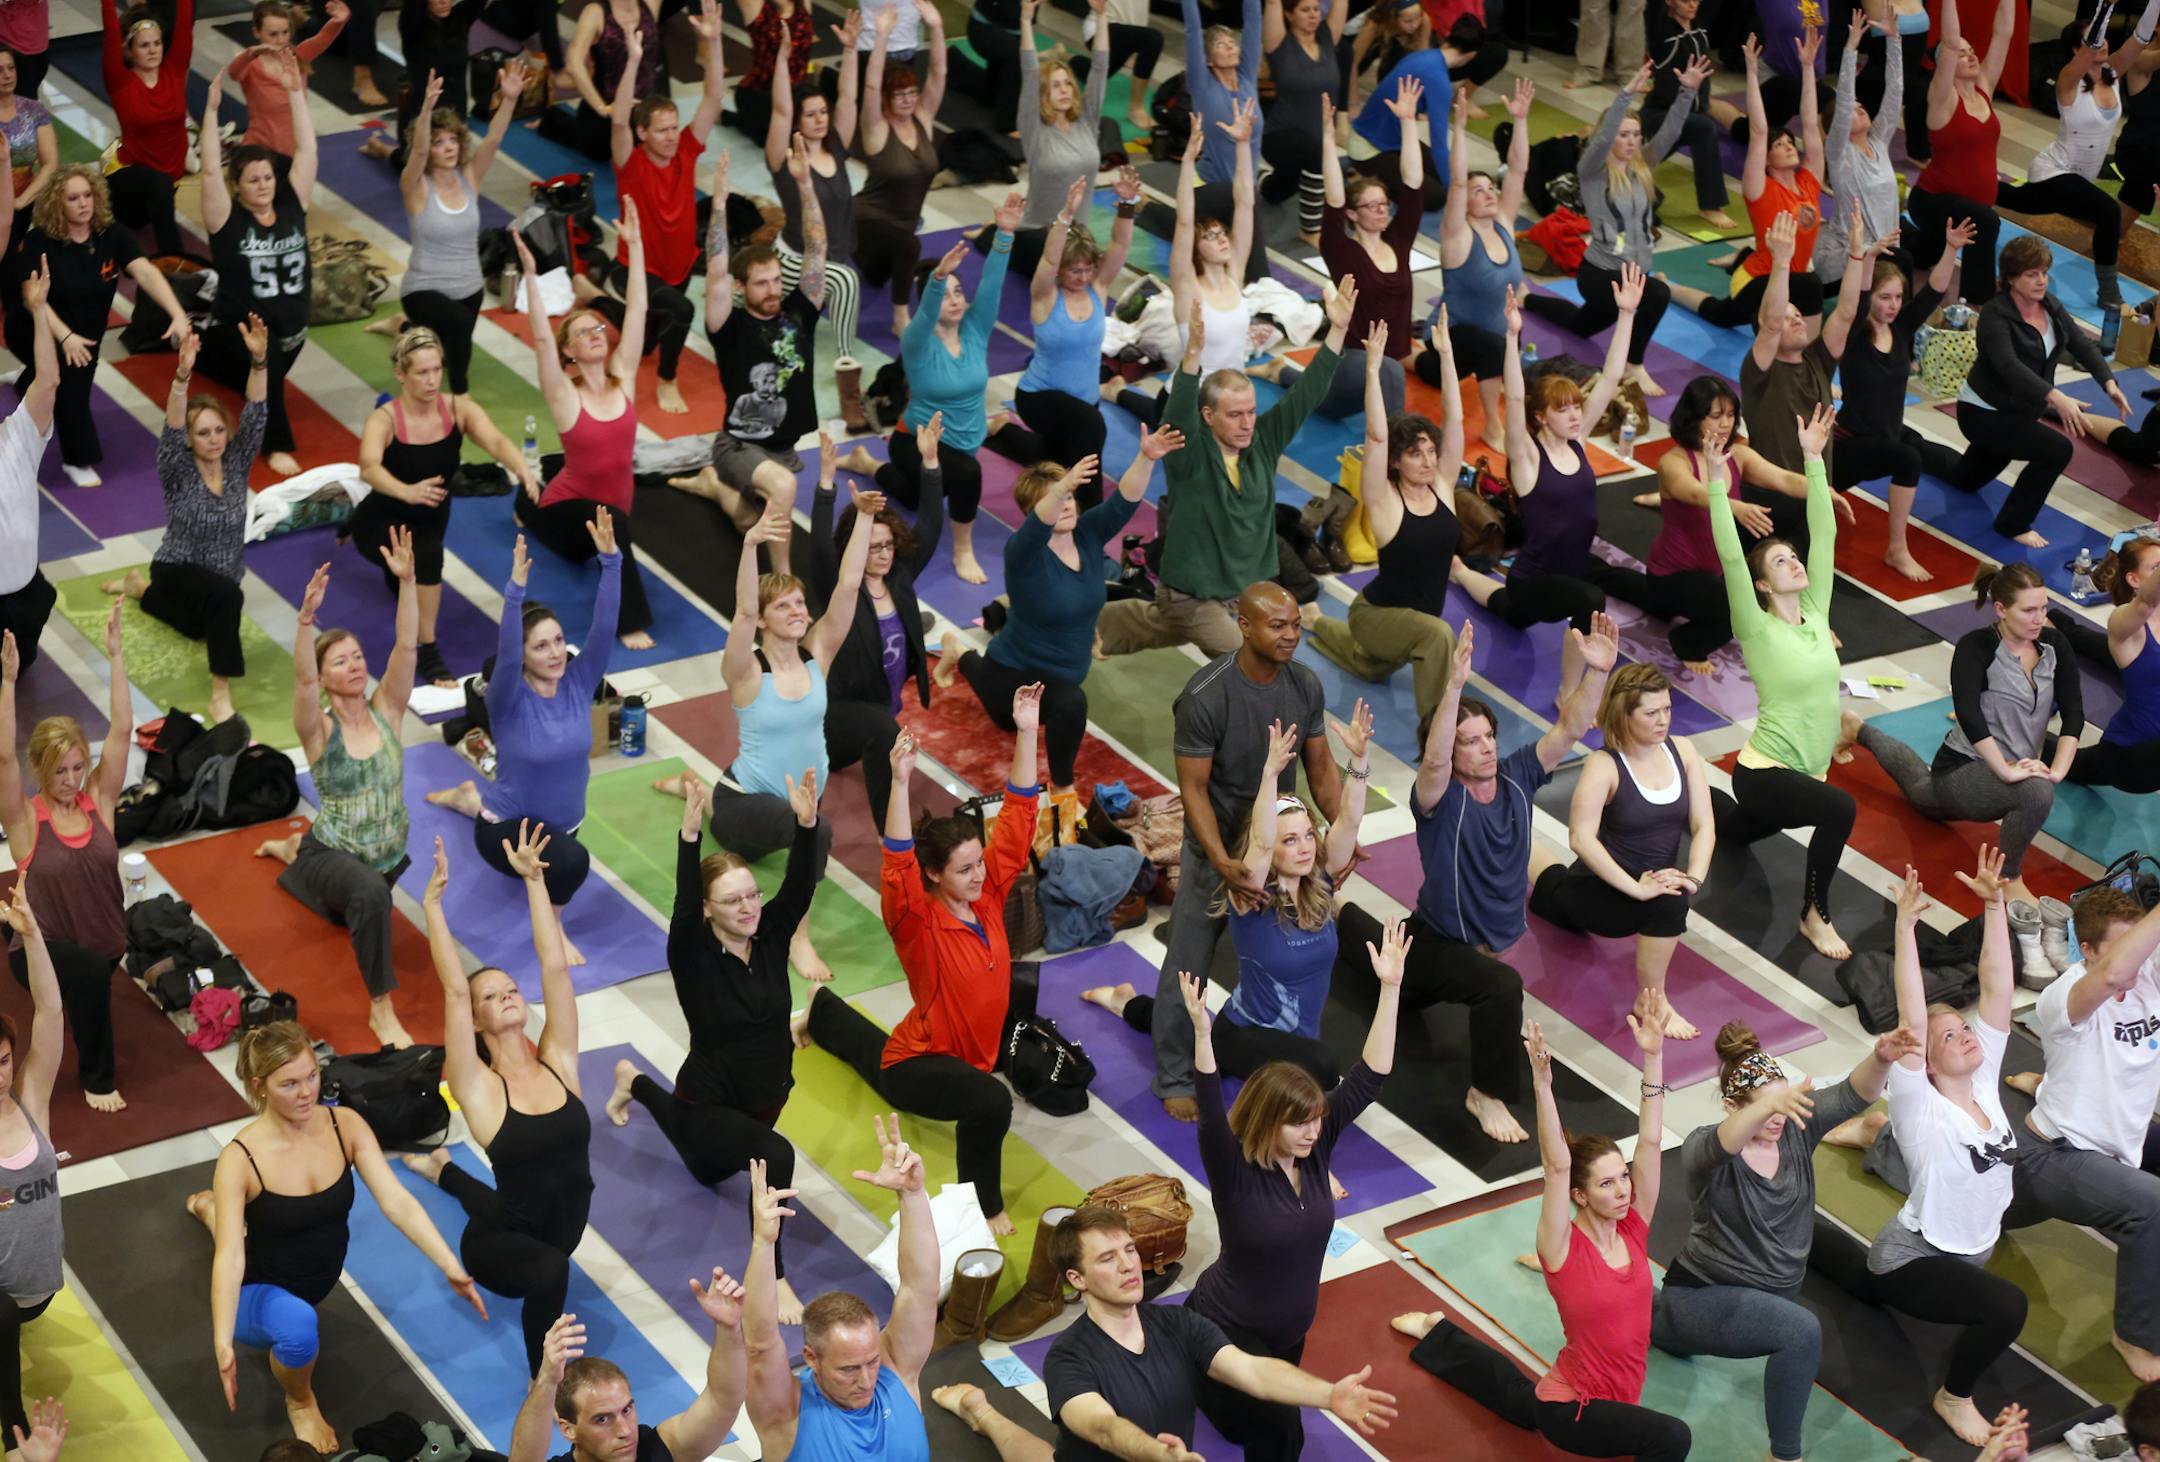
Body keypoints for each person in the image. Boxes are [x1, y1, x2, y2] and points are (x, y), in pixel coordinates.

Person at [1395, 997, 1689, 1461]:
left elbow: (1650, 1141)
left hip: (1600, 1396)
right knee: (1671, 1437)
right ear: (1580, 1196)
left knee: (1519, 1398)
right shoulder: (1562, 1248)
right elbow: (1556, 1167)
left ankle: (1438, 1334)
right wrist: (1542, 1084)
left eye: (1623, 1177)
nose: (1622, 1190)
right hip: (1573, 1409)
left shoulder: (1633, 1226)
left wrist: (1653, 1056)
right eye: (1606, 1183)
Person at [802, 696, 1042, 1233]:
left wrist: (1026, 731)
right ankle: (982, 1205)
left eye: (979, 863)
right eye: (964, 869)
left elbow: (1020, 813)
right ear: (933, 874)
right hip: (920, 1063)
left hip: (959, 1052)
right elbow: (896, 860)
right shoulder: (917, 920)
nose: (979, 875)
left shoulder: (988, 894)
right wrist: (899, 781)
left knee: (870, 1051)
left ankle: (819, 1010)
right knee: (989, 1102)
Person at [192, 1023, 484, 1454]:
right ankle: (301, 1401)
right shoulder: (240, 1159)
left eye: (311, 1076)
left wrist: (449, 1265)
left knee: (259, 1237)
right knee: (297, 1326)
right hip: (256, 1288)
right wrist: (221, 1341)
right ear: (259, 1086)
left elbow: (397, 1202)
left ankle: (213, 1210)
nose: (306, 1092)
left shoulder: (344, 1125)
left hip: (315, 1278)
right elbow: (231, 1258)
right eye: (289, 1084)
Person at [1172, 927, 1402, 1460]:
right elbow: (1210, 1114)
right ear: (1267, 1119)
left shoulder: (1314, 1148)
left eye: (1317, 1120)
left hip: (1288, 1333)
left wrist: (1390, 989)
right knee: (1281, 1433)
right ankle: (1192, 1364)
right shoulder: (1232, 1167)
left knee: (1243, 1429)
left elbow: (1370, 1077)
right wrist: (1203, 1035)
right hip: (1225, 1325)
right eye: (1299, 1123)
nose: (1313, 1132)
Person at [603, 769, 819, 1324]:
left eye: (751, 895)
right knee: (774, 1157)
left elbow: (799, 886)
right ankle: (773, 1278)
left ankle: (635, 1082)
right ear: (707, 909)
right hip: (710, 1100)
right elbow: (681, 904)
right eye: (731, 900)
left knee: (707, 1171)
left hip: (767, 1093)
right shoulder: (692, 954)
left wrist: (806, 824)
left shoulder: (770, 936)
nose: (748, 907)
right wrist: (690, 836)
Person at [1651, 1019, 1914, 1462]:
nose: (1778, 1118)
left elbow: (1855, 1093)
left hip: (1758, 1302)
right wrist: (1772, 1104)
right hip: (1704, 1294)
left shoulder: (1794, 1126)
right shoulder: (1704, 1150)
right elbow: (1723, 1141)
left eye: (1783, 1103)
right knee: (1799, 1331)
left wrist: (1881, 1058)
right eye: (1765, 1108)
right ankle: (1785, 1456)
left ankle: (1633, 1302)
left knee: (1654, 1325)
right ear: (1733, 1106)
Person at [1406, 614, 1619, 1142]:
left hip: (1484, 944)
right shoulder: (1439, 798)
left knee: (1458, 980)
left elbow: (1570, 729)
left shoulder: (1517, 775)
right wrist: (1453, 688)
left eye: (1488, 737)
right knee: (1498, 988)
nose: (1485, 747)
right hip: (1437, 942)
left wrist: (1597, 673)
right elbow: (1433, 762)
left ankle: (1347, 918)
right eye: (1469, 741)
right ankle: (1485, 1092)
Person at [1085, 706, 1375, 1092]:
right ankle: (1125, 1004)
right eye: (1290, 840)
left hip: (1294, 1042)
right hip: (1242, 1035)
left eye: (1308, 835)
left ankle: (1128, 1001)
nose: (1306, 847)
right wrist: (1270, 775)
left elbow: (1349, 822)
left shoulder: (1319, 883)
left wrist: (1359, 760)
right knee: (1321, 1068)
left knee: (1305, 1065)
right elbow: (1261, 842)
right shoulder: (1250, 896)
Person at [1142, 583, 1345, 1122]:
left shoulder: (1304, 684)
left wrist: (1341, 830)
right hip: (1218, 852)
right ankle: (1175, 1075)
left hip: (1278, 853)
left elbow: (1322, 766)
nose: (1291, 635)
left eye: (1295, 624)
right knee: (1189, 960)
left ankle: (1266, 1045)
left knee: (1295, 956)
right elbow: (1193, 789)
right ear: (1245, 625)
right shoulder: (1206, 695)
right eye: (1278, 625)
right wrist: (1220, 861)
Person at [1859, 857, 2030, 1446]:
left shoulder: (1983, 1083)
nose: (1964, 1036)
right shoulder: (1920, 1103)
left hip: (1966, 1253)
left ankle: (1865, 1141)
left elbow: (1998, 985)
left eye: (1964, 1028)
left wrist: (1994, 905)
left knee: (1846, 1270)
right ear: (1926, 1062)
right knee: (2007, 1307)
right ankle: (1954, 1397)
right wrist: (1904, 926)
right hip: (1913, 1259)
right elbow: (1912, 1014)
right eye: (1949, 1037)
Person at [409, 830, 592, 1376]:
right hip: (498, 1247)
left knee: (497, 1203)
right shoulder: (479, 1087)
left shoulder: (559, 1060)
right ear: (474, 1021)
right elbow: (453, 991)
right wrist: (432, 907)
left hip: (548, 1224)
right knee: (549, 1268)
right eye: (490, 996)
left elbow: (554, 967)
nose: (508, 995)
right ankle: (544, 1380)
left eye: (510, 988)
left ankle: (442, 1169)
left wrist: (534, 880)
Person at [680, 486, 880, 982]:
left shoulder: (818, 656)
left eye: (800, 603)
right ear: (765, 620)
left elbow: (849, 585)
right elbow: (743, 612)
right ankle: (797, 936)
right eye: (784, 606)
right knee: (814, 831)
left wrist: (863, 517)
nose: (798, 611)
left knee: (790, 829)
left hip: (785, 804)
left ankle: (696, 791)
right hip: (747, 800)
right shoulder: (747, 671)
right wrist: (751, 545)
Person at [937, 433, 1177, 843]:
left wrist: (1145, 456)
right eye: (1055, 499)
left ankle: (956, 650)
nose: (1066, 505)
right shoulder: (1023, 552)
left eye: (1070, 497)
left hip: (1059, 672)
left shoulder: (1087, 534)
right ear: (1033, 513)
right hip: (1013, 672)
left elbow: (1126, 500)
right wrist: (1062, 485)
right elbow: (1040, 523)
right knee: (1059, 706)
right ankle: (1063, 788)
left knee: (1058, 701)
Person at [1095, 287, 1355, 659]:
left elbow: (1306, 395)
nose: (1247, 422)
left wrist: (1337, 331)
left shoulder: (1263, 440)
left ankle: (1067, 623)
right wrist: (1192, 357)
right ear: (1208, 416)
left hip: (1239, 594)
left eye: (1250, 411)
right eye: (1234, 414)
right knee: (1250, 662)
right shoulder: (1188, 453)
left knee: (1152, 624)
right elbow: (1177, 411)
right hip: (1192, 597)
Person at [1692, 401, 1859, 962]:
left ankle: (1689, 793)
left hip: (1805, 771)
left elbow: (1824, 531)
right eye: (1781, 562)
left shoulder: (1816, 612)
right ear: (1762, 585)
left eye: (1793, 556)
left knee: (1733, 830)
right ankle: (1815, 914)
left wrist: (1813, 458)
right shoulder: (1756, 626)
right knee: (1840, 809)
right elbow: (1730, 556)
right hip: (1765, 771)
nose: (1794, 562)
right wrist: (1716, 481)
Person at [1040, 1205, 1398, 1457]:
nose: (1127, 1265)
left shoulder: (1176, 1323)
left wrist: (1328, 1394)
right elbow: (1103, 1428)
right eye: (1107, 1258)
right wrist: (1159, 1455)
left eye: (1130, 1250)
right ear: (1077, 1279)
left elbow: (1252, 1371)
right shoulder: (1068, 1357)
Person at [424, 519, 625, 957]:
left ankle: (466, 798)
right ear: (523, 655)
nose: (555, 653)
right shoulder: (508, 699)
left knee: (561, 853)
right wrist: (514, 591)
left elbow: (604, 628)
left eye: (558, 641)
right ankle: (551, 926)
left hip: (564, 825)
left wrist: (611, 562)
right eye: (541, 646)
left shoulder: (578, 681)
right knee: (573, 863)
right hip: (506, 830)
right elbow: (507, 652)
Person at [256, 537, 423, 1051]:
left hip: (385, 858)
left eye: (357, 657)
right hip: (337, 853)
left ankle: (292, 854)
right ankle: (381, 1009)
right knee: (369, 897)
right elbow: (303, 684)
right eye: (340, 662)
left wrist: (408, 582)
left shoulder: (387, 709)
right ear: (325, 678)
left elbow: (407, 647)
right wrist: (306, 620)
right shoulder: (320, 730)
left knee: (351, 906)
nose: (354, 665)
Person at [1842, 563, 2082, 911]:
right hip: (1963, 766)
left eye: (2044, 608)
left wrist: (2056, 771)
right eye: (2029, 610)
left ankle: (1857, 730)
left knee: (1924, 791)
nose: (2039, 618)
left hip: (2014, 766)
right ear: (2001, 609)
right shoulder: (1977, 646)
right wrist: (2005, 770)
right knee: (2030, 792)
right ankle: (2008, 879)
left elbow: (2074, 711)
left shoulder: (2055, 644)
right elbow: (1969, 716)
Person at [2002, 887, 2160, 1383]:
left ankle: (2044, 1083)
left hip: (2118, 1149)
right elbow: (2111, 975)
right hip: (2052, 1157)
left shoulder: (2148, 975)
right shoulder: (2062, 995)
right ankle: (2134, 1335)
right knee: (2153, 1207)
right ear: (2087, 950)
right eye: (2121, 948)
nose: (2135, 961)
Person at [1451, 278, 1641, 679]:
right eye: (1562, 409)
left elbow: (1609, 378)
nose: (1574, 415)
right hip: (1535, 579)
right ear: (1541, 416)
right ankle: (1568, 690)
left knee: (1509, 610)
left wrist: (1626, 314)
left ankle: (1463, 573)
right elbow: (1513, 397)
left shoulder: (1578, 442)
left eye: (1576, 407)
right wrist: (1511, 337)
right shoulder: (1526, 458)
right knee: (1589, 600)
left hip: (1572, 565)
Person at [1531, 664, 1715, 1039]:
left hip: (1651, 886)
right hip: (1596, 891)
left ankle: (1518, 846)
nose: (1663, 720)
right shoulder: (1604, 765)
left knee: (1671, 896)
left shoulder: (1683, 750)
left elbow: (1704, 825)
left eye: (1667, 709)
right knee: (1555, 888)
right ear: (1624, 715)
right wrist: (1637, 889)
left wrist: (1694, 878)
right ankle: (1652, 1003)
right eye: (1651, 713)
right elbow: (1581, 838)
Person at [351, 327, 538, 690]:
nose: (432, 380)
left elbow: (496, 439)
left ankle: (401, 578)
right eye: (422, 372)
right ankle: (428, 649)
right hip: (382, 520)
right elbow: (368, 468)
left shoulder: (458, 409)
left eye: (437, 369)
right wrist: (407, 492)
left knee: (411, 572)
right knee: (426, 557)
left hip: (431, 517)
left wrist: (522, 468)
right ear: (400, 374)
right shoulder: (385, 419)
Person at [103, 323, 268, 726]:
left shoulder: (236, 462)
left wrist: (259, 360)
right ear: (190, 439)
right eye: (203, 433)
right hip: (176, 568)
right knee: (228, 599)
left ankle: (140, 589)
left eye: (219, 430)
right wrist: (181, 377)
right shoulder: (177, 468)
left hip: (219, 576)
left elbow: (257, 413)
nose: (213, 439)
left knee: (201, 627)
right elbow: (173, 427)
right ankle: (220, 694)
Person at [0, 602, 130, 1113]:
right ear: (40, 769)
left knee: (94, 970)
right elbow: (3, 757)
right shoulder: (25, 819)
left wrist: (115, 655)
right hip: (41, 949)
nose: (72, 780)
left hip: (104, 940)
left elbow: (122, 730)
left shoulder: (98, 800)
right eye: (59, 771)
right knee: (89, 974)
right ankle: (99, 1079)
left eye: (78, 767)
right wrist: (8, 681)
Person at [675, 146, 828, 578]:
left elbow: (818, 246)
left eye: (777, 280)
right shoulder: (730, 325)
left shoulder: (799, 312)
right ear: (741, 287)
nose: (774, 289)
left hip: (784, 449)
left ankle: (712, 485)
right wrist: (720, 202)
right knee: (783, 487)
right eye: (762, 283)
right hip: (739, 446)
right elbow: (716, 267)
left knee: (748, 521)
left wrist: (805, 184)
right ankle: (782, 581)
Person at [509, 207, 657, 650]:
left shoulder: (623, 377)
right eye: (582, 332)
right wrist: (531, 277)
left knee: (601, 527)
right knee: (609, 528)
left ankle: (526, 500)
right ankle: (629, 621)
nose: (594, 334)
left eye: (597, 328)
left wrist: (635, 246)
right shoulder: (564, 395)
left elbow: (639, 309)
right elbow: (541, 339)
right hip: (574, 512)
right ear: (569, 353)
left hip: (610, 508)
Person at [742, 1126, 932, 1457]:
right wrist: (763, 1244)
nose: (866, 1380)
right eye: (848, 1369)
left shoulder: (897, 1371)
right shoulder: (787, 1414)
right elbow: (759, 1344)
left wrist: (913, 1195)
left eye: (871, 1361)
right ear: (811, 1358)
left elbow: (920, 1288)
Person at [1522, 60, 1706, 399]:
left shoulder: (1642, 167)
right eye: (1623, 135)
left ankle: (1528, 298)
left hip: (1633, 274)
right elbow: (1602, 137)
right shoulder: (1593, 170)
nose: (1631, 141)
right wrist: (1625, 96)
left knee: (1581, 325)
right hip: (1600, 274)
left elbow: (1670, 133)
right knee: (1657, 294)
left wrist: (1687, 92)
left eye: (1635, 134)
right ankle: (1634, 364)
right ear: (1608, 136)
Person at [1308, 329, 1464, 720]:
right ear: (1395, 461)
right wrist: (1373, 368)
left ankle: (1317, 621)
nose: (1428, 461)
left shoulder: (1442, 484)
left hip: (1412, 623)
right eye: (1415, 454)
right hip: (1376, 614)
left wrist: (1447, 357)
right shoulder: (1383, 499)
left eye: (1431, 451)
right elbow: (1377, 437)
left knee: (1369, 667)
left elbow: (1456, 419)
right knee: (1439, 637)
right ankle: (1436, 733)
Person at [9, 164, 190, 487]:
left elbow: (145, 272)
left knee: (65, 379)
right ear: (57, 204)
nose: (83, 204)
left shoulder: (112, 234)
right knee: (70, 391)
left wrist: (177, 313)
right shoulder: (39, 241)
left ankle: (28, 379)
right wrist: (65, 337)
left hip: (87, 334)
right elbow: (31, 298)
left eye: (87, 195)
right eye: (73, 198)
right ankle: (78, 460)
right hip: (35, 328)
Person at [803, 417, 945, 828]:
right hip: (837, 709)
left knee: (879, 731)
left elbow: (931, 525)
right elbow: (818, 544)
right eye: (872, 546)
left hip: (881, 703)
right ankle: (890, 834)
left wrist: (930, 464)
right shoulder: (840, 589)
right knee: (883, 733)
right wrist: (825, 482)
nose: (883, 554)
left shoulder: (899, 577)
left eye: (888, 545)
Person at [883, 191, 1027, 585]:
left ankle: (867, 464)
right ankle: (964, 549)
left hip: (964, 439)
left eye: (959, 292)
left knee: (913, 496)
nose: (955, 301)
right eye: (945, 296)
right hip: (914, 440)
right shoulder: (916, 343)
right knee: (966, 474)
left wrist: (1004, 235)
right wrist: (937, 280)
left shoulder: (975, 331)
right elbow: (927, 310)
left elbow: (993, 285)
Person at [1950, 235, 2129, 548]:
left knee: (1964, 479)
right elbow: (2009, 366)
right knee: (2056, 450)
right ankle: (2013, 524)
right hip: (1984, 413)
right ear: (2011, 278)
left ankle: (1913, 445)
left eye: (2044, 273)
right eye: (2031, 274)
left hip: (2019, 411)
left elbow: (2081, 343)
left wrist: (2109, 383)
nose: (2041, 280)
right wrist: (2056, 397)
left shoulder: (2049, 305)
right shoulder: (1995, 315)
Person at [1822, 204, 1970, 582]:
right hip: (1851, 442)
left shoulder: (1901, 328)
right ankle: (1896, 550)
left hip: (1888, 433)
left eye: (1898, 298)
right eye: (1884, 298)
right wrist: (1867, 257)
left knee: (1936, 455)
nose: (1892, 306)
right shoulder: (1856, 335)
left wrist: (1951, 249)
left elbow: (1934, 292)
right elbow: (1854, 300)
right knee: (1907, 459)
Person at [1621, 376, 1795, 671]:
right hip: (1671, 575)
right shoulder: (1674, 461)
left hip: (1711, 573)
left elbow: (1784, 479)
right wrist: (1735, 506)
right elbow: (1694, 493)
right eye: (1716, 416)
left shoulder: (1737, 456)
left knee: (1753, 597)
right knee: (1734, 611)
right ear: (1694, 418)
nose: (1726, 424)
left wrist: (1822, 489)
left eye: (1730, 415)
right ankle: (1687, 642)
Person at [198, 57, 317, 479]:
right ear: (237, 186)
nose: (263, 185)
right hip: (240, 331)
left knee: (258, 375)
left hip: (293, 331)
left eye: (267, 178)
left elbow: (307, 150)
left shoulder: (292, 205)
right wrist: (211, 112)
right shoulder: (226, 221)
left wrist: (294, 92)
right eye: (252, 180)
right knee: (267, 368)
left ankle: (209, 359)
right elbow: (209, 170)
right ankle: (277, 445)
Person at [602, 9, 724, 419]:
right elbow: (620, 119)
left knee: (649, 337)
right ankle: (667, 379)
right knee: (682, 311)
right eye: (662, 130)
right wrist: (634, 59)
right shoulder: (632, 164)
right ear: (643, 134)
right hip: (637, 267)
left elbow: (713, 99)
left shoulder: (686, 150)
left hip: (680, 264)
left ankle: (595, 296)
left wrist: (714, 41)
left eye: (674, 127)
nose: (672, 136)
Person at [1104, 111, 1261, 432]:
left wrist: (1243, 145)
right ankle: (1117, 392)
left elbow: (1245, 204)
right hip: (1188, 401)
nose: (1222, 239)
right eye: (1210, 237)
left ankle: (1118, 391)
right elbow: (1185, 223)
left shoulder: (1235, 275)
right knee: (1167, 426)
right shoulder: (1189, 288)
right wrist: (1188, 161)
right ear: (1196, 250)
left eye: (1222, 233)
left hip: (1230, 399)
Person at [1282, 80, 1423, 420]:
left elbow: (1414, 184)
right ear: (1353, 214)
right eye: (1372, 206)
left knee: (1362, 391)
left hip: (1389, 360)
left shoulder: (1398, 241)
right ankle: (1283, 372)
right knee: (1339, 400)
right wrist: (1329, 139)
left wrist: (1408, 123)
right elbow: (1334, 198)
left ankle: (1285, 373)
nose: (1382, 210)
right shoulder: (1341, 250)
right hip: (1354, 360)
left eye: (1384, 204)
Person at [1667, 30, 1829, 324]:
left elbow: (1809, 123)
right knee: (1722, 315)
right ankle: (1668, 286)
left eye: (1789, 143)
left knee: (1807, 286)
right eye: (1779, 145)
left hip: (1789, 278)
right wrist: (1752, 72)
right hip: (1757, 278)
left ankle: (1742, 255)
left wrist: (1808, 68)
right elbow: (1758, 131)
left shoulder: (1808, 182)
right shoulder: (1760, 189)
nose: (1789, 147)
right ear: (1766, 159)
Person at [393, 67, 527, 401]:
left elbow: (494, 139)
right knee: (456, 334)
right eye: (439, 142)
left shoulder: (469, 177)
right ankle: (460, 397)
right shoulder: (415, 186)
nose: (449, 147)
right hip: (423, 288)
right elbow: (417, 153)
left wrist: (509, 100)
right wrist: (425, 110)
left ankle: (407, 329)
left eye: (453, 139)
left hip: (469, 288)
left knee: (448, 345)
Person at [0, 884, 74, 1452]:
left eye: (3, 1060)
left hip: (39, 1286)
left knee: (13, 1318)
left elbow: (50, 1011)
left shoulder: (29, 1097)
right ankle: (13, 1429)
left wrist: (31, 936)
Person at [1737, 212, 1859, 557]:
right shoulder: (1760, 371)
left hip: (1814, 495)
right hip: (1772, 500)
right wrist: (1781, 261)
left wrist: (1856, 255)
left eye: (1798, 315)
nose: (1796, 320)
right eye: (1787, 316)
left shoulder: (1817, 360)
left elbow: (1846, 312)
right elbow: (1771, 323)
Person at [764, 16, 865, 422]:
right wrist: (783, 58)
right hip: (793, 260)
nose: (821, 119)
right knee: (847, 281)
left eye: (823, 112)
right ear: (797, 122)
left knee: (842, 279)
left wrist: (850, 49)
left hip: (832, 257)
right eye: (811, 115)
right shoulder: (785, 159)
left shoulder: (836, 145)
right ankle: (849, 384)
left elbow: (849, 98)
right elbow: (779, 108)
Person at [1012, 169, 1141, 482]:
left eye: (1088, 269)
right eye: (1074, 271)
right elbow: (1048, 260)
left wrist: (1127, 205)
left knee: (1051, 465)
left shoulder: (1097, 288)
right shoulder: (1045, 296)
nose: (1083, 277)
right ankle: (1089, 508)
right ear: (1060, 271)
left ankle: (1001, 431)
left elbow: (1119, 245)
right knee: (1090, 436)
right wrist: (1066, 214)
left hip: (1085, 399)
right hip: (1039, 396)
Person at [1997, 43, 2127, 342]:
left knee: (2019, 200)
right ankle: (2109, 294)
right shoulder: (2070, 80)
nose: (2101, 43)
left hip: (2077, 178)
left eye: (2103, 37)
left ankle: (1972, 184)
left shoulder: (2112, 74)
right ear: (2077, 48)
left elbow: (2139, 42)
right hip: (2053, 170)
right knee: (2109, 212)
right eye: (2093, 39)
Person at [511, 1299, 745, 1462]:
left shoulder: (660, 1450)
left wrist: (729, 1330)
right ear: (568, 1429)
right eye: (602, 1419)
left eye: (627, 1410)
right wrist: (547, 1379)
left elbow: (723, 1400)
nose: (624, 1431)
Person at [1434, 80, 1531, 454]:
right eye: (1480, 191)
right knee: (1491, 347)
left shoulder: (1503, 223)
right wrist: (1459, 128)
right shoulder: (1457, 236)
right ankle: (1493, 427)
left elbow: (1518, 171)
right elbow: (1458, 183)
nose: (1490, 194)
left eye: (1491, 188)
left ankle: (1410, 354)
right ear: (1465, 203)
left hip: (1496, 339)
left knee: (1506, 341)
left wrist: (1520, 121)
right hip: (1453, 339)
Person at [1907, 0, 2014, 300]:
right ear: (1945, 64)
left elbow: (2003, 34)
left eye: (1972, 51)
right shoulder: (1943, 98)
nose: (1971, 55)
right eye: (1962, 54)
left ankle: (1909, 241)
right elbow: (1951, 43)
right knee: (1985, 222)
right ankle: (1978, 303)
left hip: (1963, 208)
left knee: (1921, 255)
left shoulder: (1984, 89)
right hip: (1932, 200)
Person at [853, 9, 947, 341]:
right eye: (899, 95)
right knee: (910, 247)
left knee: (878, 275)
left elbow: (938, 73)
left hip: (901, 224)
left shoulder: (922, 119)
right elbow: (870, 85)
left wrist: (936, 28)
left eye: (911, 93)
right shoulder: (876, 128)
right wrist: (880, 37)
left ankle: (858, 255)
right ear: (886, 99)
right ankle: (900, 319)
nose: (908, 100)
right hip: (867, 216)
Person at [1003, 0, 1109, 281]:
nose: (1064, 90)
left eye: (1067, 83)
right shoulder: (1034, 129)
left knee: (1094, 266)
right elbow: (1029, 72)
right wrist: (1025, 20)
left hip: (1076, 236)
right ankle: (992, 231)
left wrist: (1101, 16)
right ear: (1042, 94)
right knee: (1070, 268)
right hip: (1037, 234)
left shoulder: (1086, 122)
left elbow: (1100, 69)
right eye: (1055, 85)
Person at [1818, 11, 1910, 297]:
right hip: (1847, 254)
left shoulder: (1879, 141)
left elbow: (1895, 92)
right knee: (1903, 262)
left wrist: (1894, 41)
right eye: (1853, 110)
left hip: (1883, 250)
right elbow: (1845, 101)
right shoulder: (1839, 152)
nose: (1859, 109)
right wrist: (1850, 50)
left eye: (1862, 107)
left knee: (1903, 258)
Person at [2065, 534, 2160, 792]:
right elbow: (2146, 602)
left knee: (2067, 760)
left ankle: (2055, 622)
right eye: (2156, 567)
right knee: (2049, 754)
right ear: (2134, 580)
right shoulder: (2125, 621)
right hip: (2129, 757)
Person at [100, 0, 192, 257]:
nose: (152, 50)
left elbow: (185, 26)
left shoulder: (174, 71)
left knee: (156, 196)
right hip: (127, 177)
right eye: (143, 45)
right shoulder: (120, 82)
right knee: (158, 184)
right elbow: (110, 35)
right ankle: (176, 263)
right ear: (129, 51)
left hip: (164, 183)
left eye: (157, 43)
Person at [0, 262, 57, 666]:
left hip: (24, 599)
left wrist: (39, 311)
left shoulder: (18, 435)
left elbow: (48, 382)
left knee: (21, 669)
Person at [1641, 0, 1739, 231]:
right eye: (1685, 0)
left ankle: (1709, 205)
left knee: (1700, 128)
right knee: (1703, 127)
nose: (1692, 5)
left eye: (1695, 0)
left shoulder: (1699, 25)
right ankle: (1710, 206)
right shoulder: (1661, 30)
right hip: (1659, 114)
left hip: (1689, 115)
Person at [1261, 0, 1349, 242]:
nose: (1313, 15)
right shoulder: (1280, 44)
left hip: (1313, 140)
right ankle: (1310, 230)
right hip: (1279, 135)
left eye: (1316, 9)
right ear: (1289, 15)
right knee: (1317, 160)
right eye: (1305, 10)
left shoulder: (1327, 38)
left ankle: (1263, 181)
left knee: (1277, 192)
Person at [226, 0, 349, 157]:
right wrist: (250, 53)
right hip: (260, 152)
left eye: (285, 32)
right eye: (273, 34)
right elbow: (233, 73)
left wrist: (337, 21)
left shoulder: (297, 57)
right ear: (256, 32)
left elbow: (322, 38)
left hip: (296, 152)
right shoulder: (250, 65)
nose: (281, 40)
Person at [542, 0, 658, 160]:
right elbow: (574, 64)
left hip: (643, 106)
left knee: (655, 147)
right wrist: (603, 108)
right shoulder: (595, 13)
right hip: (607, 107)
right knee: (597, 151)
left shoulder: (651, 3)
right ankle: (551, 119)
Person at [731, 0, 818, 149]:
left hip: (797, 94)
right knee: (775, 141)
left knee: (814, 131)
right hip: (761, 94)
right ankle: (734, 119)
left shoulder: (802, 4)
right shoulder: (757, 7)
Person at [0, 50, 54, 228]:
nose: (7, 75)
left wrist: (20, 202)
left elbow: (50, 164)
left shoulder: (34, 110)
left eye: (11, 68)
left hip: (26, 202)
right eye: (0, 70)